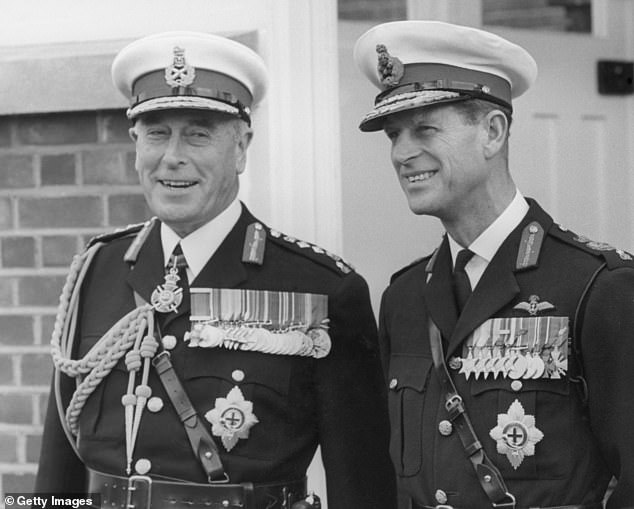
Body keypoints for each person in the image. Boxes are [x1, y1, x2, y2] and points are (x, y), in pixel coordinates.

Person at [35, 31, 396, 509]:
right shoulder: (97, 269)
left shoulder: (320, 289)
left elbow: (362, 485)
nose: (173, 156)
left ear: (242, 146)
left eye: (198, 133)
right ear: (135, 144)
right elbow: (59, 472)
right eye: (157, 133)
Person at [354, 20, 634, 509]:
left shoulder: (599, 287)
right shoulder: (403, 298)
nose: (401, 153)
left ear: (493, 131)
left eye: (424, 129)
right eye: (394, 135)